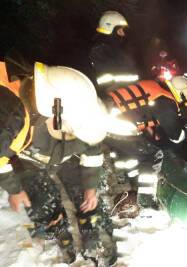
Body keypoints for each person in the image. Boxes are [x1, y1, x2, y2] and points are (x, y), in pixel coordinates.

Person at [0, 62, 115, 265]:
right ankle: (54, 225)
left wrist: (90, 188)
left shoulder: (78, 108)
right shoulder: (12, 121)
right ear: (55, 114)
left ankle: (92, 225)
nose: (73, 133)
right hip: (29, 161)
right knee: (40, 198)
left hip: (62, 156)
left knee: (86, 191)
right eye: (71, 131)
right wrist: (14, 189)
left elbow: (93, 150)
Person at [89, 10, 139, 93]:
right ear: (111, 31)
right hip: (112, 98)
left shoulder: (118, 49)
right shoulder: (98, 51)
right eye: (120, 31)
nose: (123, 34)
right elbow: (104, 80)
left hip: (129, 94)